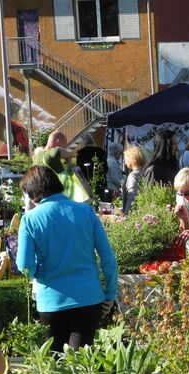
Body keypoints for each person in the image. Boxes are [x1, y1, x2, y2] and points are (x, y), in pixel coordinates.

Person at [16, 166, 117, 353]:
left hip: (51, 300)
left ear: (32, 194)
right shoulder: (86, 212)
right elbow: (108, 259)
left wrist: (40, 271)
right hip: (89, 297)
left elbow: (25, 266)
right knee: (82, 362)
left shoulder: (29, 219)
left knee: (56, 362)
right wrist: (110, 294)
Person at [122, 146, 145, 214]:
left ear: (132, 159)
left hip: (134, 212)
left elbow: (131, 196)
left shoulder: (133, 175)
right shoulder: (146, 171)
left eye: (126, 159)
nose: (125, 163)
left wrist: (126, 215)